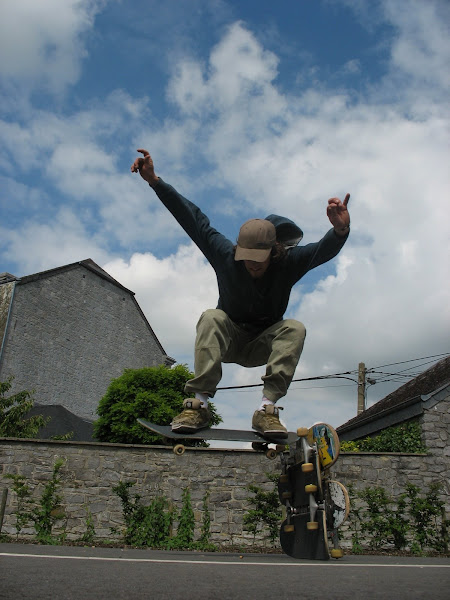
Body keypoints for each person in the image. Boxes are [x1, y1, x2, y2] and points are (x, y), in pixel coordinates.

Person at [131, 149, 350, 438]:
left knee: (294, 328)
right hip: (229, 338)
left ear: (274, 252)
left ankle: (266, 410)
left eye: (258, 260)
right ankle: (198, 405)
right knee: (211, 317)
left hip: (263, 342)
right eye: (246, 258)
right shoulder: (224, 253)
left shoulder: (289, 263)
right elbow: (192, 218)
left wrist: (340, 230)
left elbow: (323, 251)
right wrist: (155, 181)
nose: (251, 266)